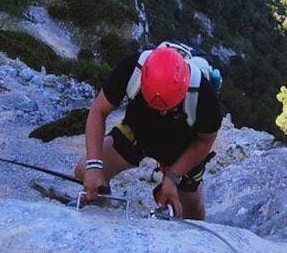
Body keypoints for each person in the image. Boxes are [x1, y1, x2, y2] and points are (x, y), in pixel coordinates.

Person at [74, 43, 223, 220]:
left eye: (167, 107)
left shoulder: (204, 94)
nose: (161, 112)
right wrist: (93, 166)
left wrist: (173, 177)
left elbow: (204, 141)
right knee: (84, 169)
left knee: (191, 213)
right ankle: (100, 201)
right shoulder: (131, 68)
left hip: (181, 145)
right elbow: (98, 111)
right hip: (138, 130)